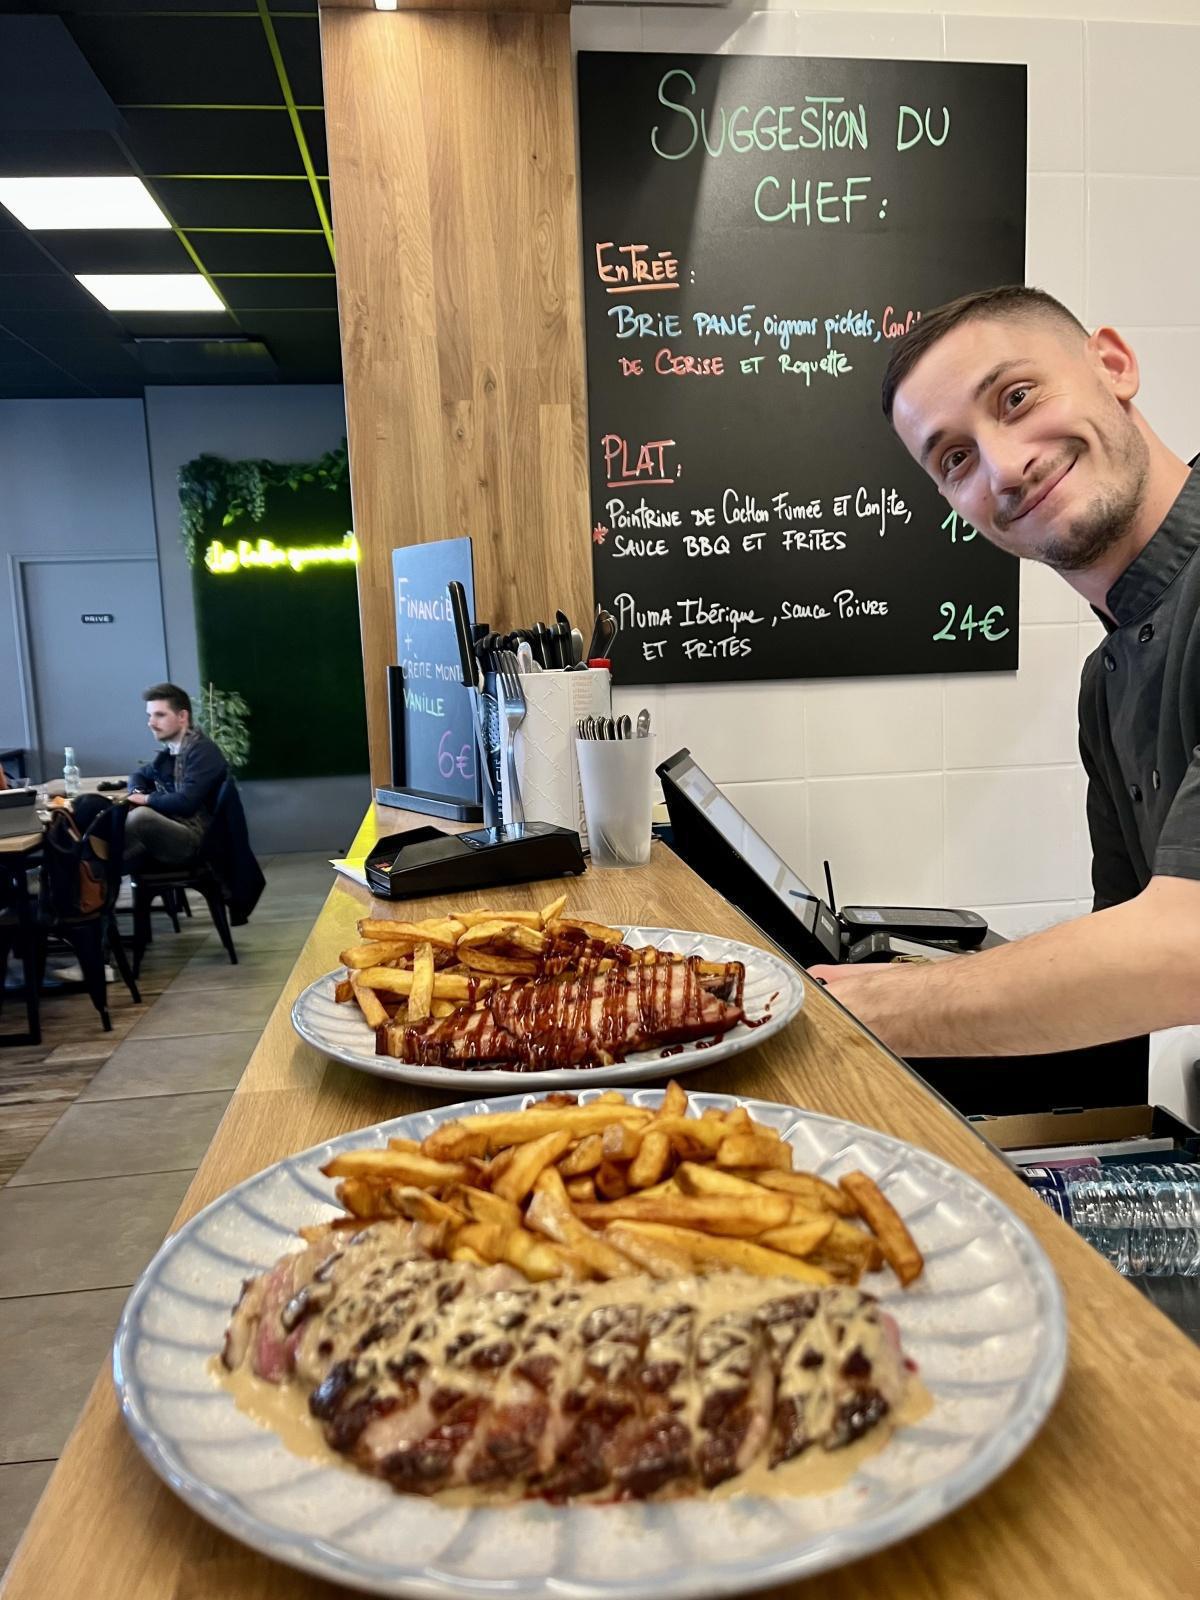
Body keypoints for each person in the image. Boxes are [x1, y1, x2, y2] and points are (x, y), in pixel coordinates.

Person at [809, 285, 1200, 1058]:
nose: (1006, 466)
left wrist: (874, 1010)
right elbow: (1122, 956)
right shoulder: (1106, 685)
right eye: (955, 459)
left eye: (1017, 398)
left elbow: (1184, 948)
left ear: (1114, 365)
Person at [124, 684, 227, 871]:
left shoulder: (202, 751)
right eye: (150, 716)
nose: (151, 723)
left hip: (197, 839)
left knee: (140, 817)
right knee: (96, 809)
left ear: (182, 717)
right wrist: (137, 791)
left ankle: (100, 874)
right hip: (177, 826)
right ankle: (96, 874)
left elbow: (186, 802)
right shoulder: (173, 750)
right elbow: (138, 775)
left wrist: (146, 799)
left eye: (160, 715)